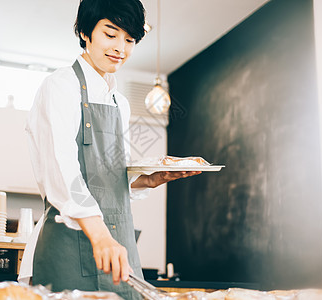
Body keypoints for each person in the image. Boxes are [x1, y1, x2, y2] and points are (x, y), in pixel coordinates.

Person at [21, 0, 201, 298]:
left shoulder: (121, 102)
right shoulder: (59, 85)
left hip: (117, 248)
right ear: (85, 32)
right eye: (110, 33)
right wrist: (101, 236)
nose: (121, 47)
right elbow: (61, 167)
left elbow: (110, 173)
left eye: (130, 40)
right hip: (70, 243)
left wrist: (149, 178)